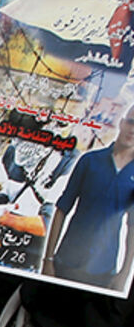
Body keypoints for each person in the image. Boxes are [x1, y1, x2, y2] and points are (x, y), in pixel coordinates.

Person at [41, 107, 134, 290]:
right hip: (67, 262)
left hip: (104, 271)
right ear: (122, 123)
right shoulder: (89, 161)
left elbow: (133, 228)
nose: (133, 130)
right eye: (132, 122)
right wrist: (48, 259)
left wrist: (124, 275)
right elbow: (62, 209)